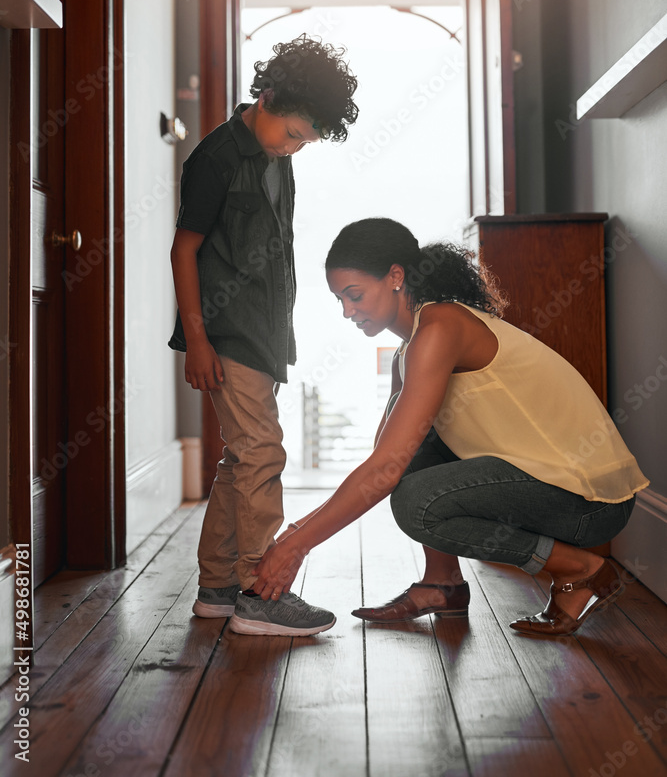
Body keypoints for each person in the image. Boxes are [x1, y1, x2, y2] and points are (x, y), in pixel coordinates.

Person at [254, 218, 649, 637]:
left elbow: (385, 471)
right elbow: (386, 460)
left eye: (355, 296)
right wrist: (295, 535)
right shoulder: (408, 350)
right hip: (549, 487)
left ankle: (580, 569)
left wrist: (295, 545)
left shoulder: (441, 328)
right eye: (340, 300)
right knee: (412, 457)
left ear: (395, 277)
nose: (348, 311)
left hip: (589, 502)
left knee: (416, 503)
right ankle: (442, 583)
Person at [169, 35, 359, 636]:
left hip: (264, 331)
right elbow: (185, 249)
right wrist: (196, 340)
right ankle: (260, 589)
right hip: (226, 332)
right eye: (296, 133)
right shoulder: (216, 159)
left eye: (309, 141)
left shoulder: (278, 163)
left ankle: (219, 587)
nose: (297, 147)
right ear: (268, 96)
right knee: (263, 453)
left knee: (239, 457)